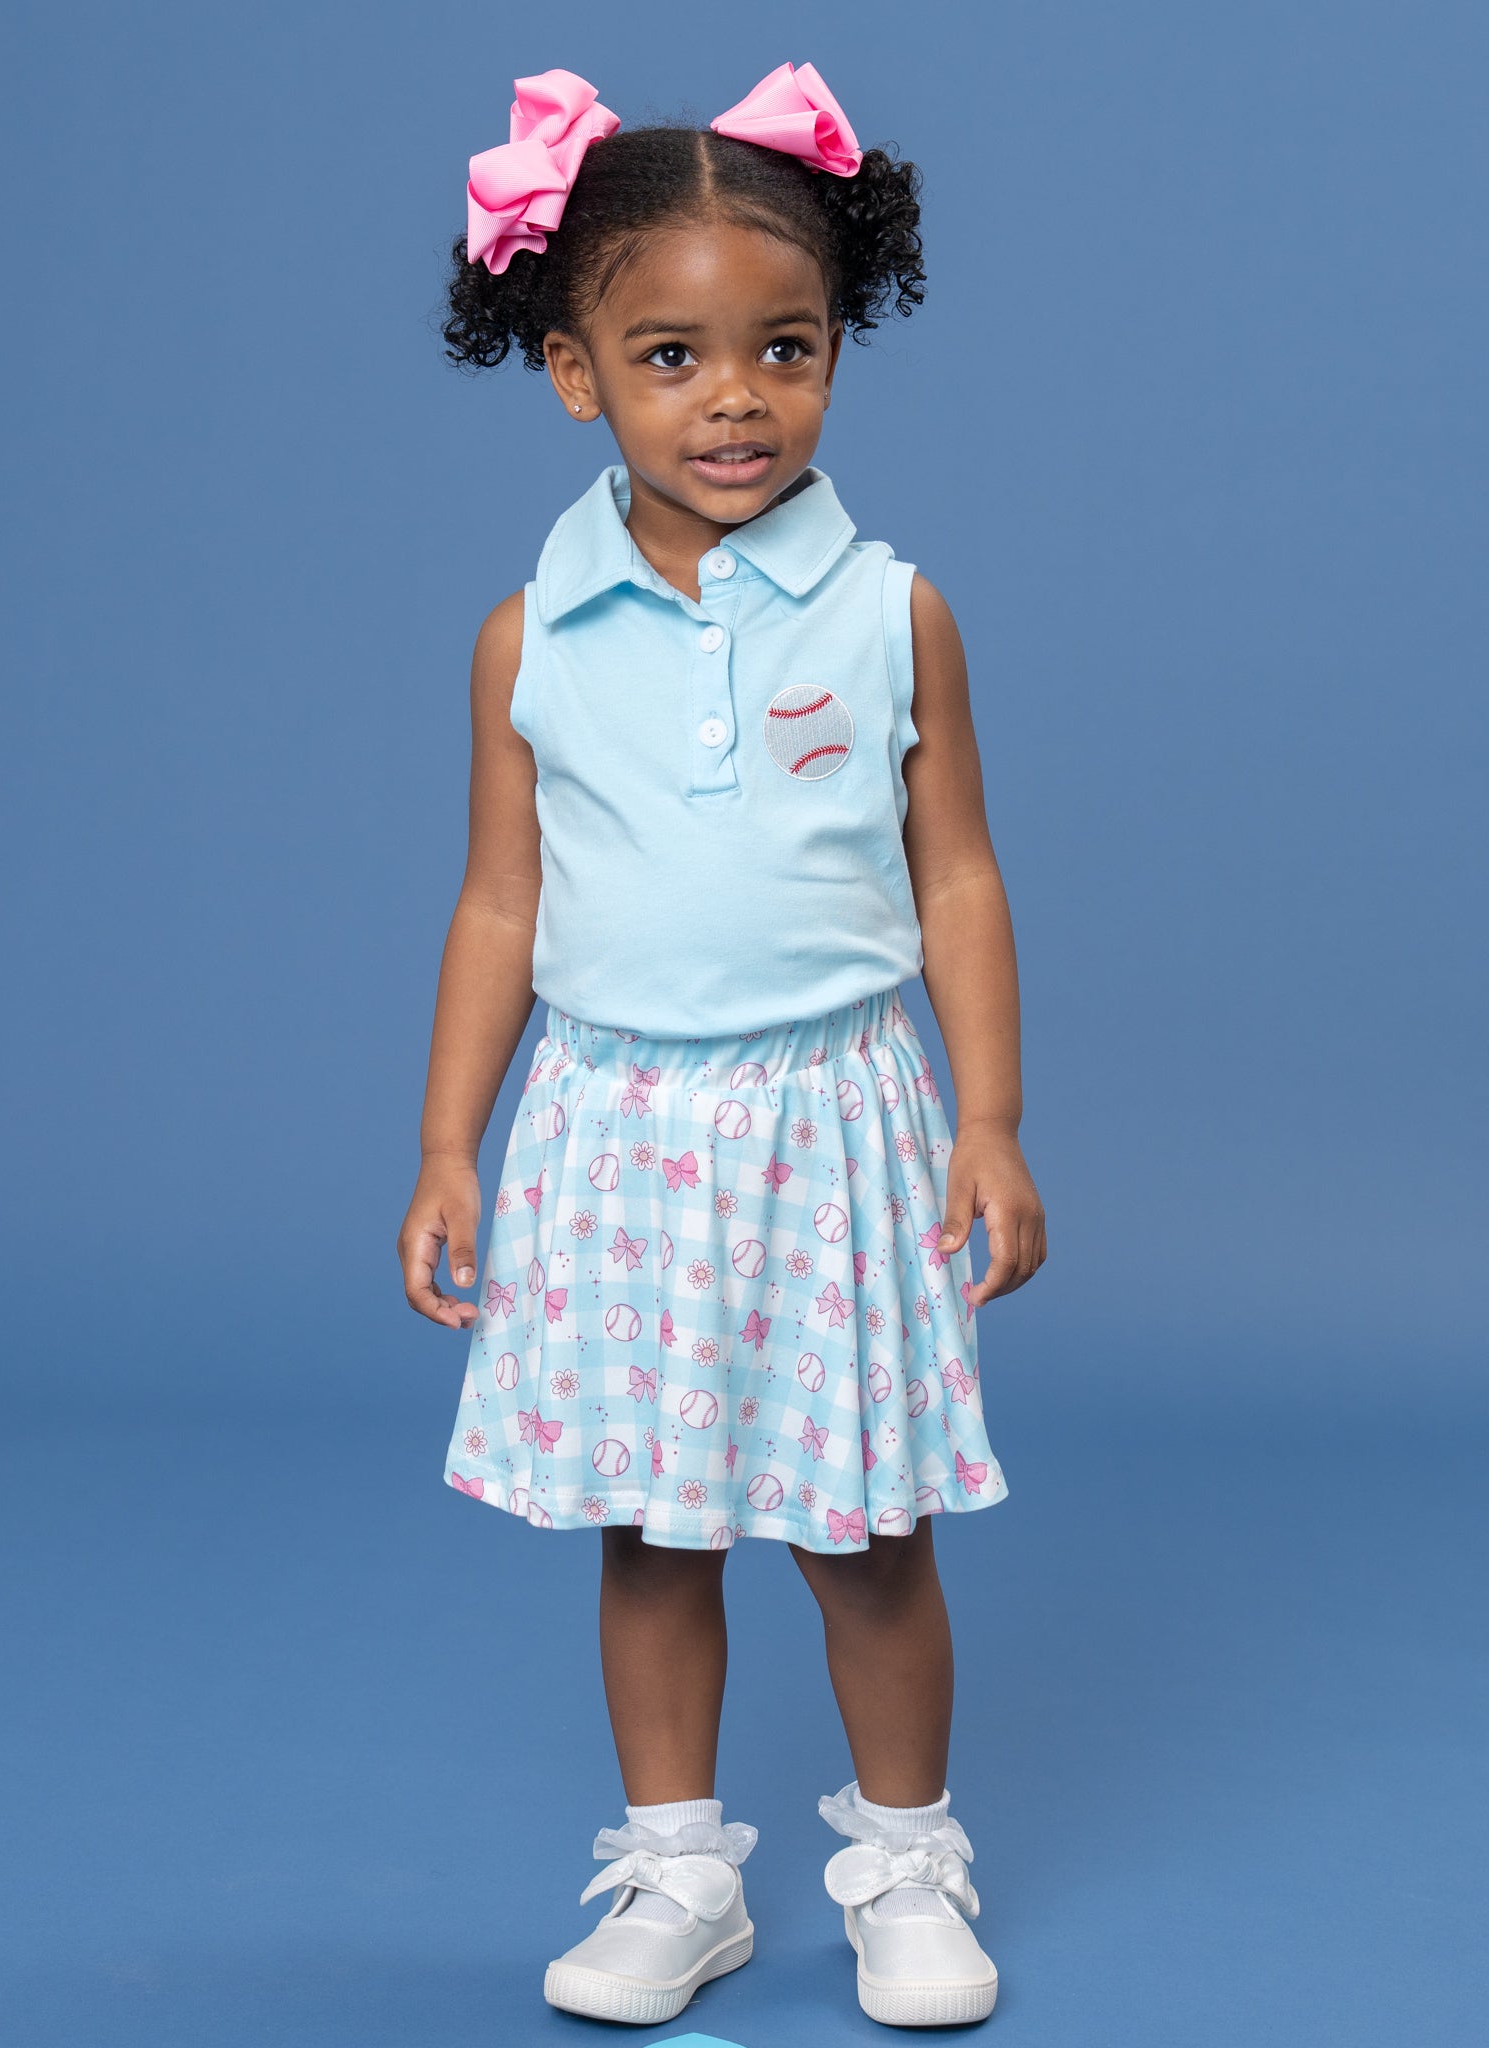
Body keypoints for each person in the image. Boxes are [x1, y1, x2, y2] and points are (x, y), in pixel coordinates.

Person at [397, 62, 1047, 2031]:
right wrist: (449, 1145)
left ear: (839, 349)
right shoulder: (531, 638)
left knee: (870, 1535)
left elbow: (957, 879)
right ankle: (679, 1866)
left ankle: (908, 1860)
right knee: (652, 1530)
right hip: (615, 1130)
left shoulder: (894, 614)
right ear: (574, 373)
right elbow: (500, 905)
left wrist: (993, 1118)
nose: (737, 398)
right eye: (671, 355)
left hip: (835, 1120)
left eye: (787, 347)